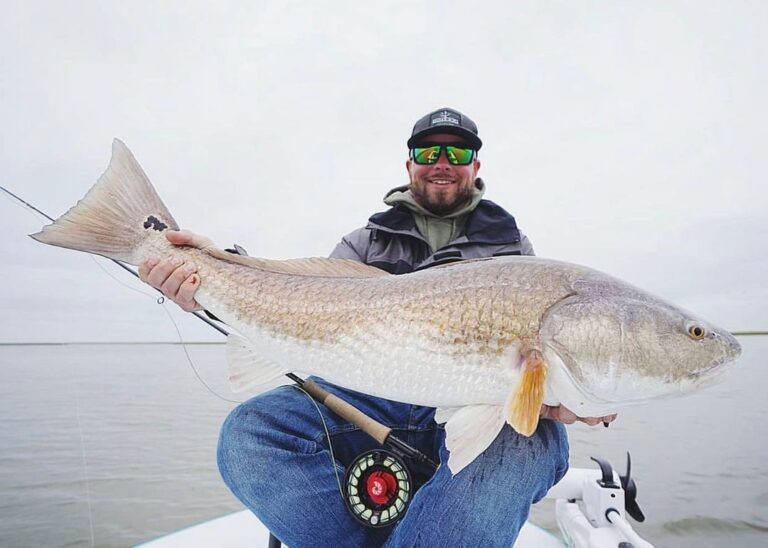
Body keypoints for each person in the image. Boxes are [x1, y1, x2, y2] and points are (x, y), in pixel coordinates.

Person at [138, 107, 616, 547]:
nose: (443, 162)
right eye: (429, 152)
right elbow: (300, 301)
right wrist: (214, 268)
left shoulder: (514, 250)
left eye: (458, 151)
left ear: (476, 165)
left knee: (527, 442)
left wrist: (576, 394)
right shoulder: (363, 241)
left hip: (472, 402)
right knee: (250, 434)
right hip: (365, 400)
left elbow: (538, 372)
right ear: (410, 166)